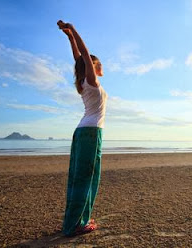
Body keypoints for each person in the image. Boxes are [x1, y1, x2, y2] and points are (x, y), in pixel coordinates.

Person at [58, 20, 108, 236]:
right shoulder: (91, 81)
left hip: (82, 133)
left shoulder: (84, 83)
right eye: (96, 63)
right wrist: (74, 29)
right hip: (90, 133)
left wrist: (69, 36)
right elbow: (84, 54)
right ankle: (76, 224)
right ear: (93, 66)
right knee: (86, 178)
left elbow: (78, 58)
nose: (100, 65)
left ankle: (80, 219)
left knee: (82, 177)